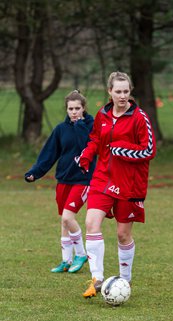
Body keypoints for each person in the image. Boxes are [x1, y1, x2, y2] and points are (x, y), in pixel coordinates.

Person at [74, 71, 156, 298]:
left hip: (129, 184)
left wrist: (121, 149)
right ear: (110, 92)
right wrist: (87, 156)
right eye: (118, 91)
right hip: (102, 179)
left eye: (126, 91)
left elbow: (149, 150)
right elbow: (95, 139)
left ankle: (124, 280)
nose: (122, 96)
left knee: (122, 235)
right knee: (91, 223)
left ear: (130, 92)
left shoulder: (140, 118)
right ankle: (97, 278)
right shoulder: (102, 114)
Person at [25, 90, 96, 273]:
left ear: (84, 108)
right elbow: (49, 154)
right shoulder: (60, 129)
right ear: (66, 109)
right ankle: (66, 260)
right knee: (64, 222)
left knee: (68, 217)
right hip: (64, 179)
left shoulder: (91, 126)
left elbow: (87, 146)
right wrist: (35, 172)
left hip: (83, 180)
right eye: (70, 109)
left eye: (77, 108)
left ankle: (81, 254)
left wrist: (79, 125)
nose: (74, 112)